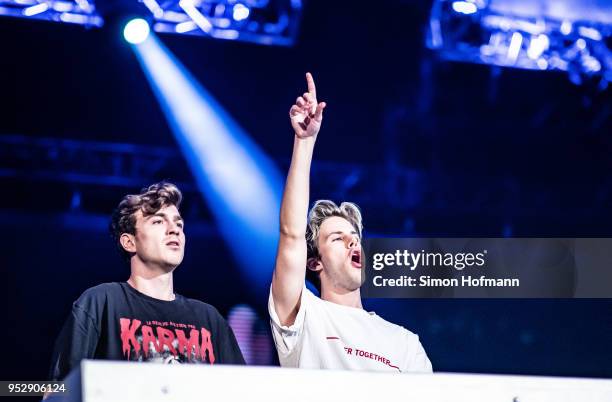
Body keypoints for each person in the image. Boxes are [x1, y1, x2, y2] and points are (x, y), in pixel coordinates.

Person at [269, 73, 432, 373]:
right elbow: (291, 234)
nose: (352, 241)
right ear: (314, 262)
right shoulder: (304, 314)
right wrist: (304, 143)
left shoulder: (405, 343)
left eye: (353, 236)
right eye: (336, 238)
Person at [48, 182, 244, 381]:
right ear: (129, 242)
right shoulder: (102, 302)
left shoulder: (210, 319)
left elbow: (242, 391)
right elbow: (59, 389)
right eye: (158, 222)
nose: (174, 230)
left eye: (179, 224)